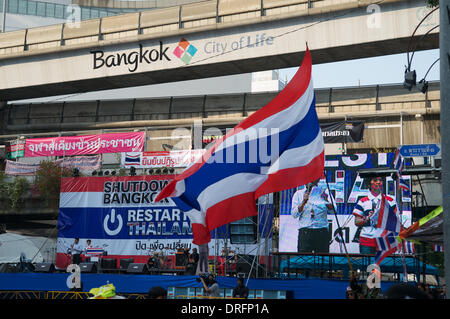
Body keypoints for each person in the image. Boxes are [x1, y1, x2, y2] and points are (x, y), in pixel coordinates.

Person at [352, 176, 399, 254]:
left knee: (383, 264)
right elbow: (357, 222)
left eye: (380, 180)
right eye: (375, 180)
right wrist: (367, 218)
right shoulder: (363, 201)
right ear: (369, 184)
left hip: (383, 239)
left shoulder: (390, 201)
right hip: (366, 240)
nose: (378, 182)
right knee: (367, 264)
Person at [291, 178, 333, 253]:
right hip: (305, 231)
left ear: (317, 181)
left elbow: (334, 210)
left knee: (322, 260)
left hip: (321, 231)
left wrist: (325, 200)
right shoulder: (298, 194)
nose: (310, 182)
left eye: (313, 179)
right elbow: (294, 214)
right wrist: (303, 202)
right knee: (304, 260)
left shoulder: (325, 192)